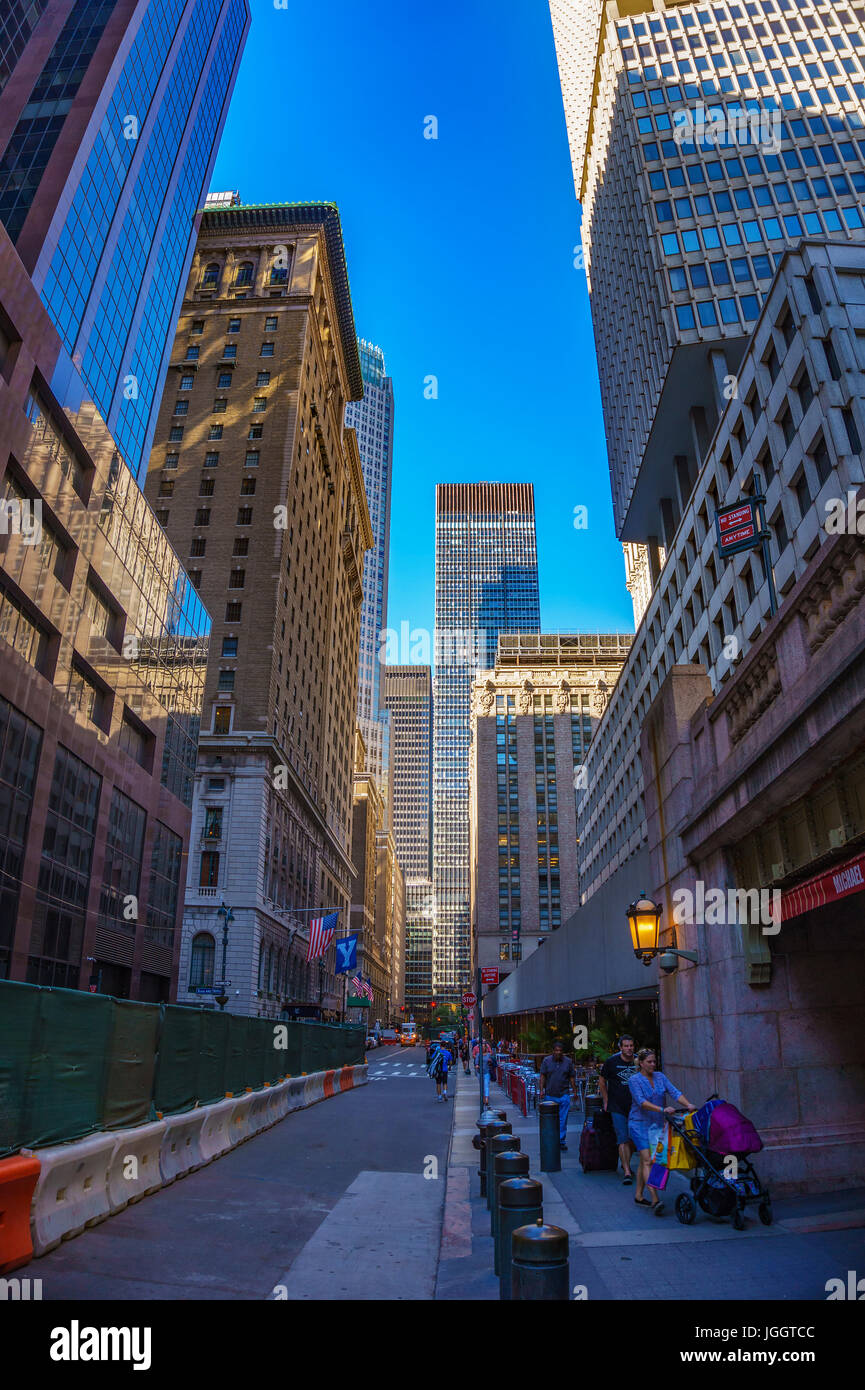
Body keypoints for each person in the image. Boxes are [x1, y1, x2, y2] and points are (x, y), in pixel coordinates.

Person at [627, 1048, 694, 1216]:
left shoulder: (660, 1077)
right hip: (639, 1124)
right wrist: (663, 1109)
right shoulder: (634, 1080)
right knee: (648, 1160)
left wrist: (688, 1105)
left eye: (654, 1061)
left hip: (657, 1125)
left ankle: (638, 1195)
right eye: (649, 1062)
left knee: (648, 1161)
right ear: (641, 1063)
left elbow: (675, 1092)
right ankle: (655, 1199)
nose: (652, 1064)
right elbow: (641, 1102)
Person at [599, 1033, 638, 1185]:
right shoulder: (612, 1061)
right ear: (620, 1047)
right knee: (622, 1138)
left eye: (631, 1046)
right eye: (626, 1046)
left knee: (634, 1139)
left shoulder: (638, 1061)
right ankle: (627, 1171)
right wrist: (606, 1101)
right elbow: (602, 1081)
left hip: (636, 1107)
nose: (629, 1049)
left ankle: (625, 1161)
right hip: (617, 1106)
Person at [538, 1041, 578, 1150]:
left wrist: (574, 1091)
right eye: (556, 1050)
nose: (558, 1052)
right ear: (553, 1051)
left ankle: (561, 1140)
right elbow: (542, 1076)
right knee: (550, 1119)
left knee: (563, 1119)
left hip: (564, 1094)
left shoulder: (568, 1062)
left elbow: (571, 1077)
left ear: (562, 1052)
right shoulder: (546, 1061)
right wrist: (541, 1090)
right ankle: (551, 1139)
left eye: (560, 1051)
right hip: (550, 1095)